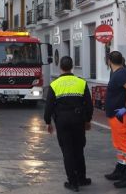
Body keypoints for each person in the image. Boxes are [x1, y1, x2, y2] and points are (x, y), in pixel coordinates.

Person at [44, 56, 94, 192]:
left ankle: (73, 182)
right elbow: (89, 105)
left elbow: (48, 106)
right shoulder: (81, 83)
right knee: (79, 149)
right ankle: (82, 178)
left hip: (62, 121)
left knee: (67, 151)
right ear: (72, 67)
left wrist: (48, 122)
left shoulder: (55, 85)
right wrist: (88, 120)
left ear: (60, 67)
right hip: (78, 120)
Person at [103, 51, 126, 188]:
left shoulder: (122, 73)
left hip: (120, 115)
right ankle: (121, 169)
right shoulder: (117, 73)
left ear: (109, 61)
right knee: (119, 145)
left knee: (125, 145)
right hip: (115, 115)